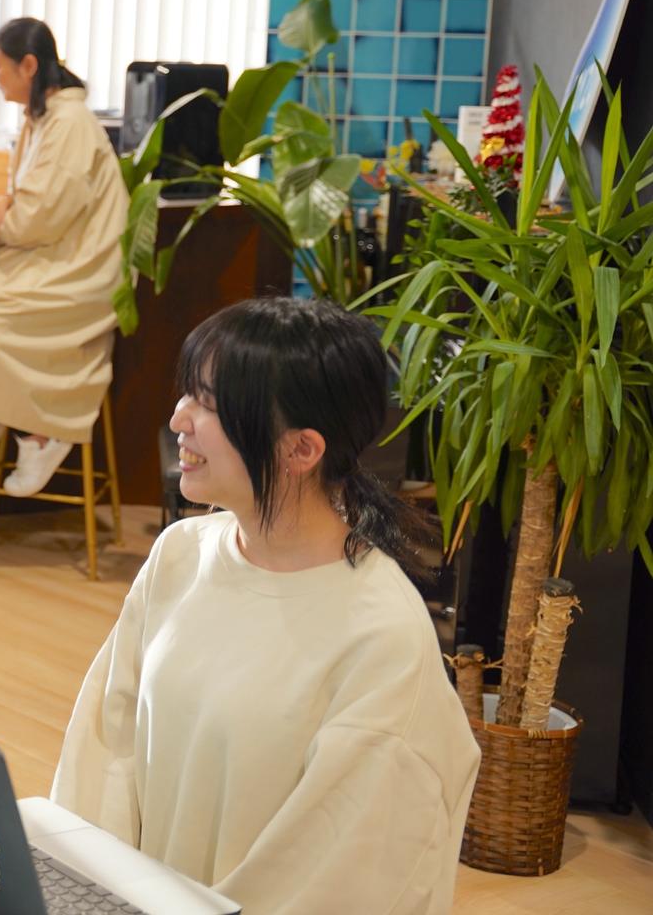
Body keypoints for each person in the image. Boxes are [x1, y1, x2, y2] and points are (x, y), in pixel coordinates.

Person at [52, 297, 479, 914]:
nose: (178, 418)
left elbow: (333, 870)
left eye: (209, 404)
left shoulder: (381, 636)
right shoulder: (180, 553)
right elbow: (106, 752)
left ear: (301, 450)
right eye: (187, 393)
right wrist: (92, 891)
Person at [0, 17, 128, 495]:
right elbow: (31, 194)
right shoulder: (41, 117)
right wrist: (5, 203)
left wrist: (2, 216)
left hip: (81, 265)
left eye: (0, 65)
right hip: (52, 249)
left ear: (29, 66)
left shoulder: (69, 122)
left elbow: (41, 213)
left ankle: (41, 434)